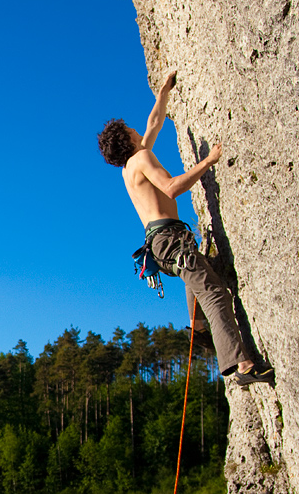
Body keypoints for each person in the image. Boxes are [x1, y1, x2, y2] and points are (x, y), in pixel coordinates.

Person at [97, 70, 273, 386]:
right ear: (127, 138)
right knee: (214, 291)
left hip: (161, 244)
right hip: (170, 240)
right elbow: (171, 187)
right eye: (129, 128)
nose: (137, 128)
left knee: (198, 272)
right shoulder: (142, 159)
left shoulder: (131, 166)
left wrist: (163, 92)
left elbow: (154, 124)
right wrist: (208, 162)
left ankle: (199, 328)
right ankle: (241, 365)